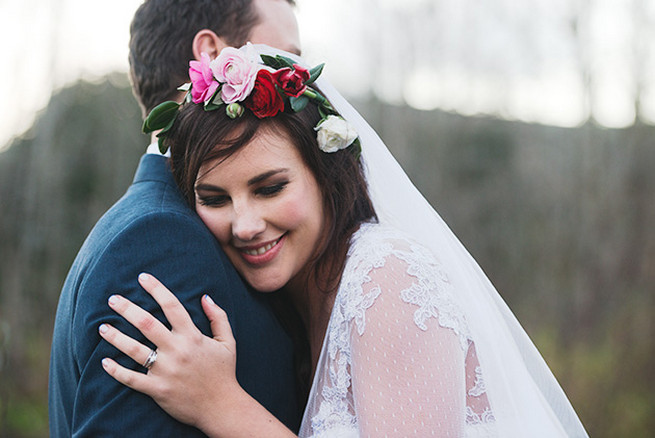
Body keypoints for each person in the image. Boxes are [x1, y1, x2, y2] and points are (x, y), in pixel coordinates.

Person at [96, 44, 590, 437]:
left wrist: (221, 406)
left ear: (327, 176)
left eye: (270, 188)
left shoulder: (388, 279)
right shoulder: (291, 303)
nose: (244, 225)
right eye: (215, 198)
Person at [48, 1, 303, 436]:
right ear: (211, 56)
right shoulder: (160, 244)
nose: (300, 80)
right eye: (287, 57)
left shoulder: (165, 224)